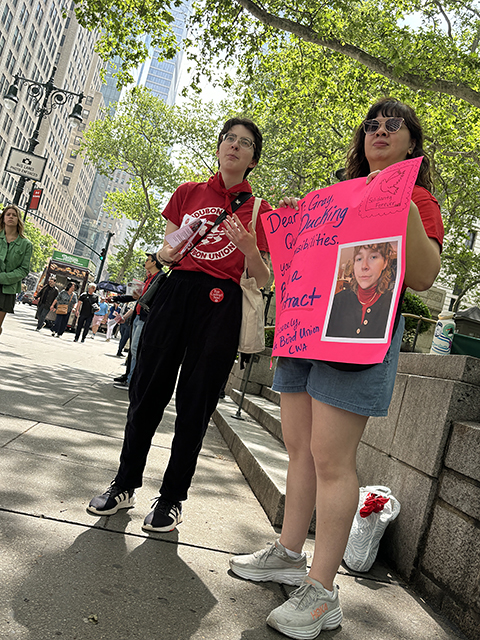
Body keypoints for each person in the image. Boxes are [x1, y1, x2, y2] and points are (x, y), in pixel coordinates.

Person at [229, 98, 444, 639]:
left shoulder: (418, 198)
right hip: (306, 330)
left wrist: (405, 212)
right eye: (371, 125)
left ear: (412, 144)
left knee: (331, 458)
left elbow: (423, 277)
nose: (380, 131)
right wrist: (293, 221)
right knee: (299, 448)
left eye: (393, 125)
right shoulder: (337, 195)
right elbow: (299, 260)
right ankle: (288, 553)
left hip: (356, 336)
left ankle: (322, 592)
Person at [88, 117, 271, 532]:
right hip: (175, 296)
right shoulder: (188, 192)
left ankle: (171, 499)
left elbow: (262, 280)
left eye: (244, 143)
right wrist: (171, 249)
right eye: (229, 139)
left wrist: (249, 249)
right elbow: (166, 252)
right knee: (146, 393)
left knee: (196, 404)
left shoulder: (261, 210)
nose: (234, 146)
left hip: (221, 305)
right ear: (219, 148)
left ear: (253, 159)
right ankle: (124, 484)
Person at [113, 253, 163, 390]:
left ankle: (132, 381)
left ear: (154, 262)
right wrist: (115, 299)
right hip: (137, 316)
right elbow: (134, 297)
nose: (145, 262)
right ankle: (129, 377)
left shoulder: (160, 278)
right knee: (133, 349)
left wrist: (139, 298)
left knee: (135, 348)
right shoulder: (149, 278)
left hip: (145, 318)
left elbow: (155, 300)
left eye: (148, 260)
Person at [326, 242, 396, 338]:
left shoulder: (392, 305)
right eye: (359, 259)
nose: (364, 266)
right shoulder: (337, 301)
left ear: (385, 262)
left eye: (373, 257)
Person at [0, 204, 33, 337]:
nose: (11, 217)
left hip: (8, 289)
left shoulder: (26, 244)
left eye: (14, 215)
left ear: (18, 219)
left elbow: (24, 270)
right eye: (8, 214)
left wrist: (3, 278)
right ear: (3, 218)